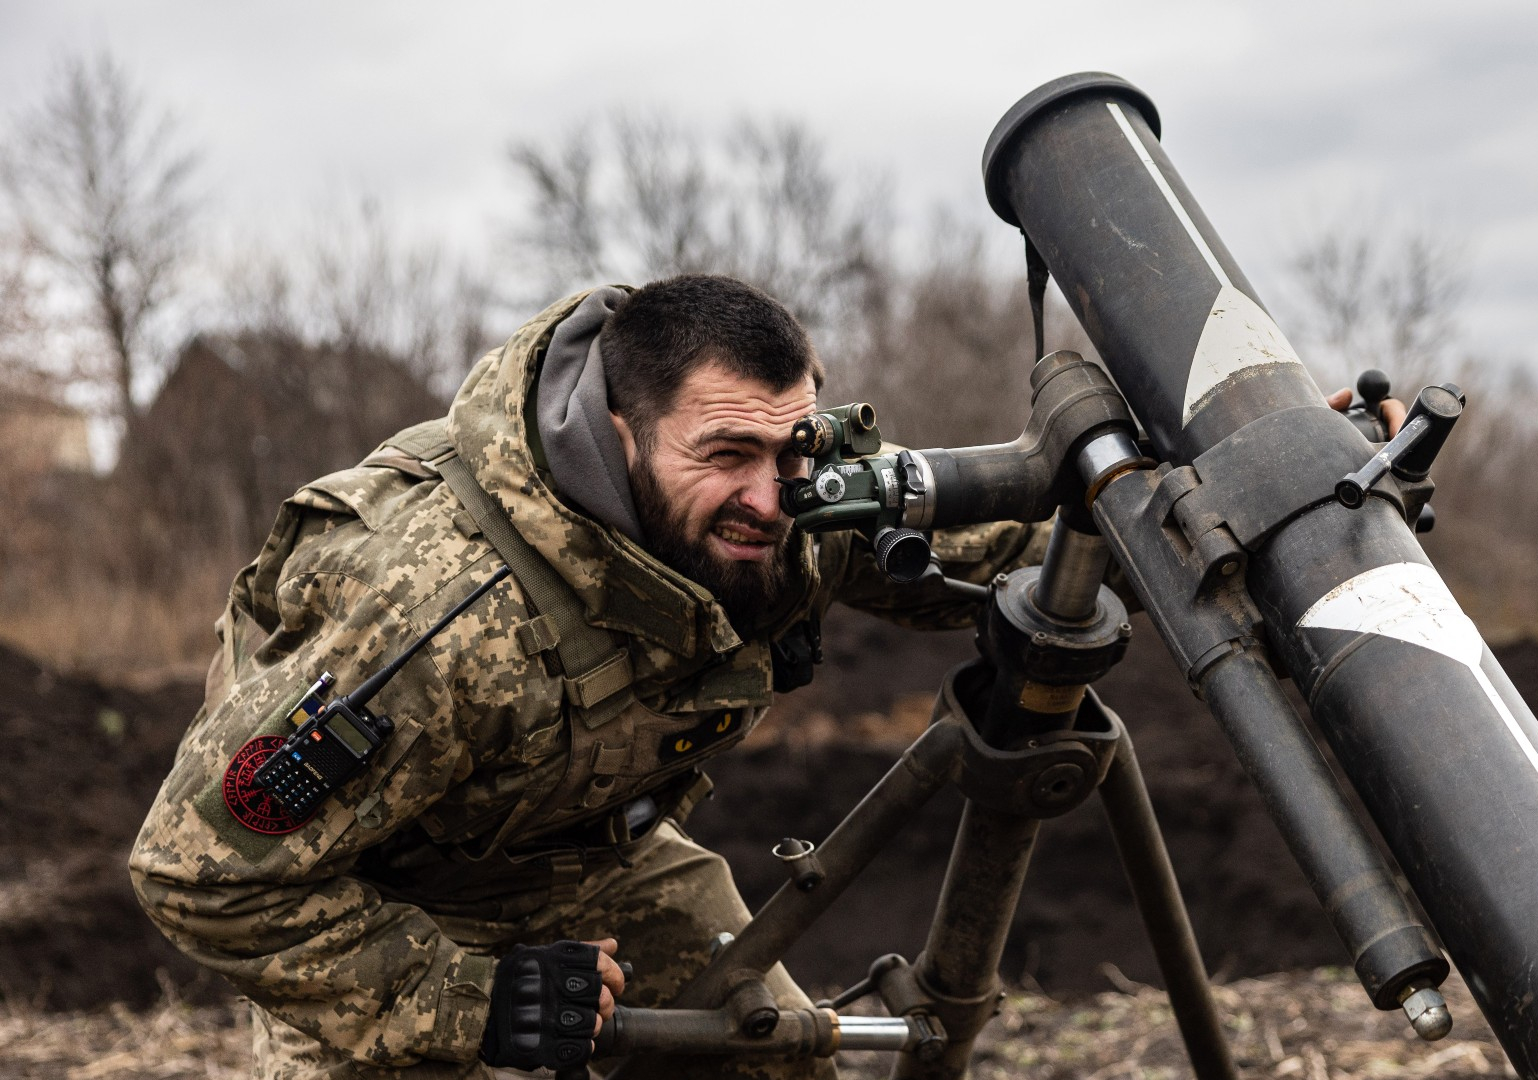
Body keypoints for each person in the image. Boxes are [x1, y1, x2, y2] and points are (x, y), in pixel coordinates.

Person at [129, 276, 1399, 1079]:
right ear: (618, 435)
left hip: (595, 862)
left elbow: (997, 537)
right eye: (722, 453)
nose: (767, 498)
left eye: (788, 453)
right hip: (380, 907)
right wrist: (471, 1002)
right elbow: (201, 873)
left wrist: (1267, 485)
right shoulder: (441, 618)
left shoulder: (789, 495)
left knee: (770, 1059)